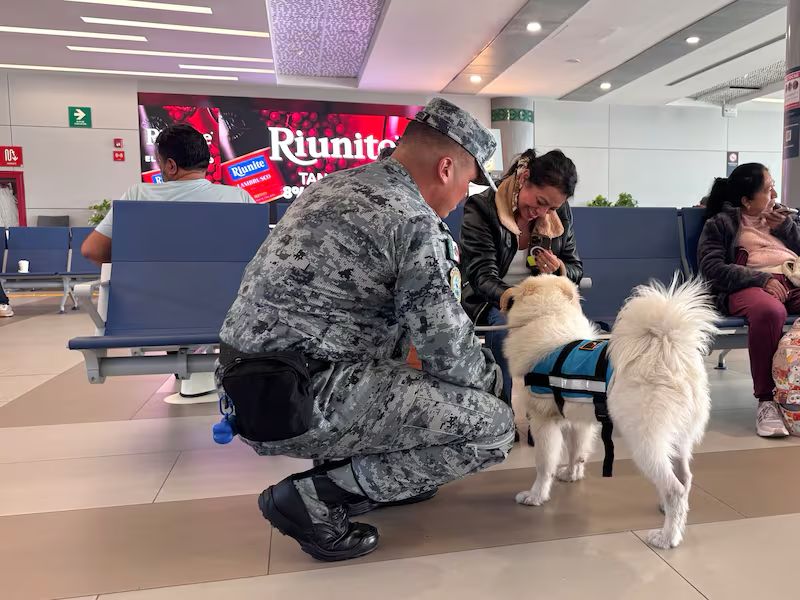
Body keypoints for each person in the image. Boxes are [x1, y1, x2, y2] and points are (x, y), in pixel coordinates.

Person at [216, 98, 514, 562]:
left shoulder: (331, 186)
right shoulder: (413, 220)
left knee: (387, 341)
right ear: (446, 168)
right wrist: (499, 386)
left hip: (250, 388)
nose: (463, 197)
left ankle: (352, 469)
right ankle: (314, 498)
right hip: (304, 397)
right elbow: (449, 353)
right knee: (492, 428)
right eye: (468, 181)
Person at [460, 149, 582, 411]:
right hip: (491, 301)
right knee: (504, 327)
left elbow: (575, 268)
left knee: (571, 332)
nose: (543, 212)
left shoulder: (559, 214)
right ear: (525, 177)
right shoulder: (482, 207)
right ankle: (501, 413)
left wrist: (558, 268)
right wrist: (523, 302)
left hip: (542, 301)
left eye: (552, 207)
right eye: (540, 201)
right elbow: (482, 276)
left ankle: (552, 411)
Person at [699, 163, 800, 437]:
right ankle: (766, 401)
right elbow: (712, 268)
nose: (775, 194)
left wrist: (787, 228)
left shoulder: (783, 219)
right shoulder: (721, 224)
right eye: (768, 189)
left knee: (774, 308)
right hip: (748, 286)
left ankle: (793, 393)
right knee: (769, 311)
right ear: (746, 200)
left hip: (792, 281)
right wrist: (760, 280)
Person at [81, 123, 253, 265]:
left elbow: (92, 250)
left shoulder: (138, 195)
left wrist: (129, 268)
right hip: (225, 294)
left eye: (159, 162)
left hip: (149, 293)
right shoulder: (239, 197)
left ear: (171, 166)